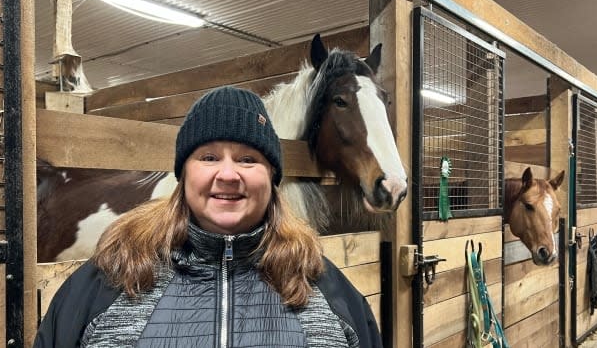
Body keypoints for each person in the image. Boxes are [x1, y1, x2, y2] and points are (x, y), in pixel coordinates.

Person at [34, 86, 382, 348]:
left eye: (248, 159)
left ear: (272, 178)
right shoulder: (108, 279)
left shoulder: (327, 288)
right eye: (209, 157)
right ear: (183, 175)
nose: (228, 175)